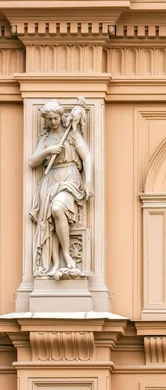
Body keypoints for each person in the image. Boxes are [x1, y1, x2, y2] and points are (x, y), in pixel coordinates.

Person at [29, 99, 93, 278]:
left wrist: (88, 182)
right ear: (45, 120)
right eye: (49, 119)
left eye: (56, 118)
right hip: (50, 181)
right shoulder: (46, 139)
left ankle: (66, 253)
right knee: (49, 223)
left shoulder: (71, 134)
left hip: (70, 177)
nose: (53, 122)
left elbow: (87, 157)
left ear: (60, 116)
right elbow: (32, 162)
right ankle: (55, 263)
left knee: (57, 209)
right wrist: (47, 152)